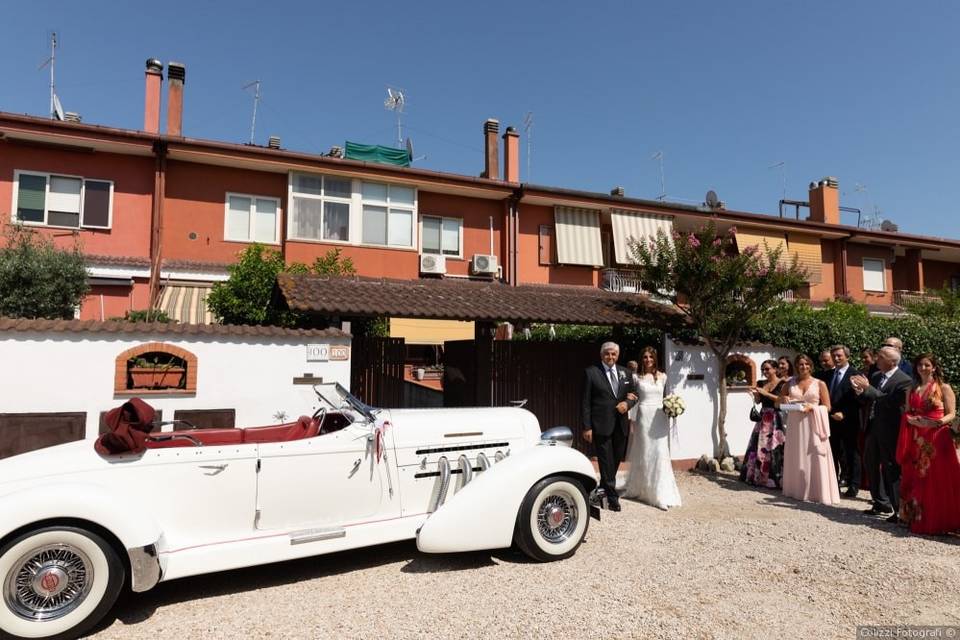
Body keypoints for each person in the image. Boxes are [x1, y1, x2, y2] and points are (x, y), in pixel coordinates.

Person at [895, 354, 960, 534]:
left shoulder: (943, 388)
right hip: (916, 438)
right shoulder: (912, 389)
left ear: (934, 367)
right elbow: (907, 412)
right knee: (917, 477)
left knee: (936, 478)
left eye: (927, 365)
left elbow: (952, 413)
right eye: (920, 365)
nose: (923, 368)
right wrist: (913, 420)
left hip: (937, 437)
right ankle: (917, 518)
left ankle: (940, 519)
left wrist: (936, 423)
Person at [850, 346, 913, 522]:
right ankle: (880, 501)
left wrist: (868, 388)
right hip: (873, 427)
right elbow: (869, 399)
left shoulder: (904, 381)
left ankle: (898, 510)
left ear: (892, 361)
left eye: (881, 357)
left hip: (890, 430)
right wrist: (860, 392)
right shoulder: (877, 376)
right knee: (870, 464)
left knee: (891, 468)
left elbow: (890, 402)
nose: (877, 359)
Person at [779, 353, 841, 505]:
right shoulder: (789, 383)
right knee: (797, 454)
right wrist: (784, 399)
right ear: (796, 366)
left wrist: (812, 408)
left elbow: (827, 406)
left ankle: (817, 492)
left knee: (814, 453)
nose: (803, 367)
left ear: (811, 366)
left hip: (813, 423)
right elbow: (778, 404)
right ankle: (796, 490)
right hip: (795, 424)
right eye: (800, 364)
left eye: (806, 364)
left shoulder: (820, 383)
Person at [582, 341, 637, 511]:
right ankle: (613, 498)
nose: (610, 356)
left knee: (615, 459)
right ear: (602, 355)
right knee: (605, 461)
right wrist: (587, 426)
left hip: (620, 425)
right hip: (601, 425)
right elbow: (585, 402)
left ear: (617, 355)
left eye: (613, 354)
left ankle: (603, 489)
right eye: (607, 353)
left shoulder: (625, 373)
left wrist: (627, 404)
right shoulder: (591, 373)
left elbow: (634, 394)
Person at [623, 347, 681, 509]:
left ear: (655, 359)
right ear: (642, 359)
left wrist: (672, 407)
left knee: (660, 452)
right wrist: (631, 419)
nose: (648, 359)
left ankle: (660, 493)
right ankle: (644, 489)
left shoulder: (663, 377)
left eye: (650, 357)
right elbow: (634, 399)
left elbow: (665, 398)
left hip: (659, 417)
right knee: (645, 451)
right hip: (643, 416)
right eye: (645, 357)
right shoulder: (636, 377)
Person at [741, 360, 787, 488]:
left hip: (776, 417)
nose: (765, 372)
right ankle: (758, 476)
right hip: (763, 417)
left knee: (775, 446)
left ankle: (775, 478)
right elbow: (758, 401)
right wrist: (755, 395)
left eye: (767, 369)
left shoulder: (783, 384)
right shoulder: (760, 383)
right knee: (760, 446)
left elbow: (781, 400)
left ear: (775, 369)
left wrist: (765, 393)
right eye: (763, 370)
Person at [827, 345, 862, 498]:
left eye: (839, 356)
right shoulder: (827, 375)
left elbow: (860, 400)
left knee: (851, 453)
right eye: (834, 356)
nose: (836, 358)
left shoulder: (856, 375)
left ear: (847, 356)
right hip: (830, 419)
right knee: (832, 452)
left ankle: (853, 485)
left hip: (849, 421)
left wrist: (845, 413)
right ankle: (833, 483)